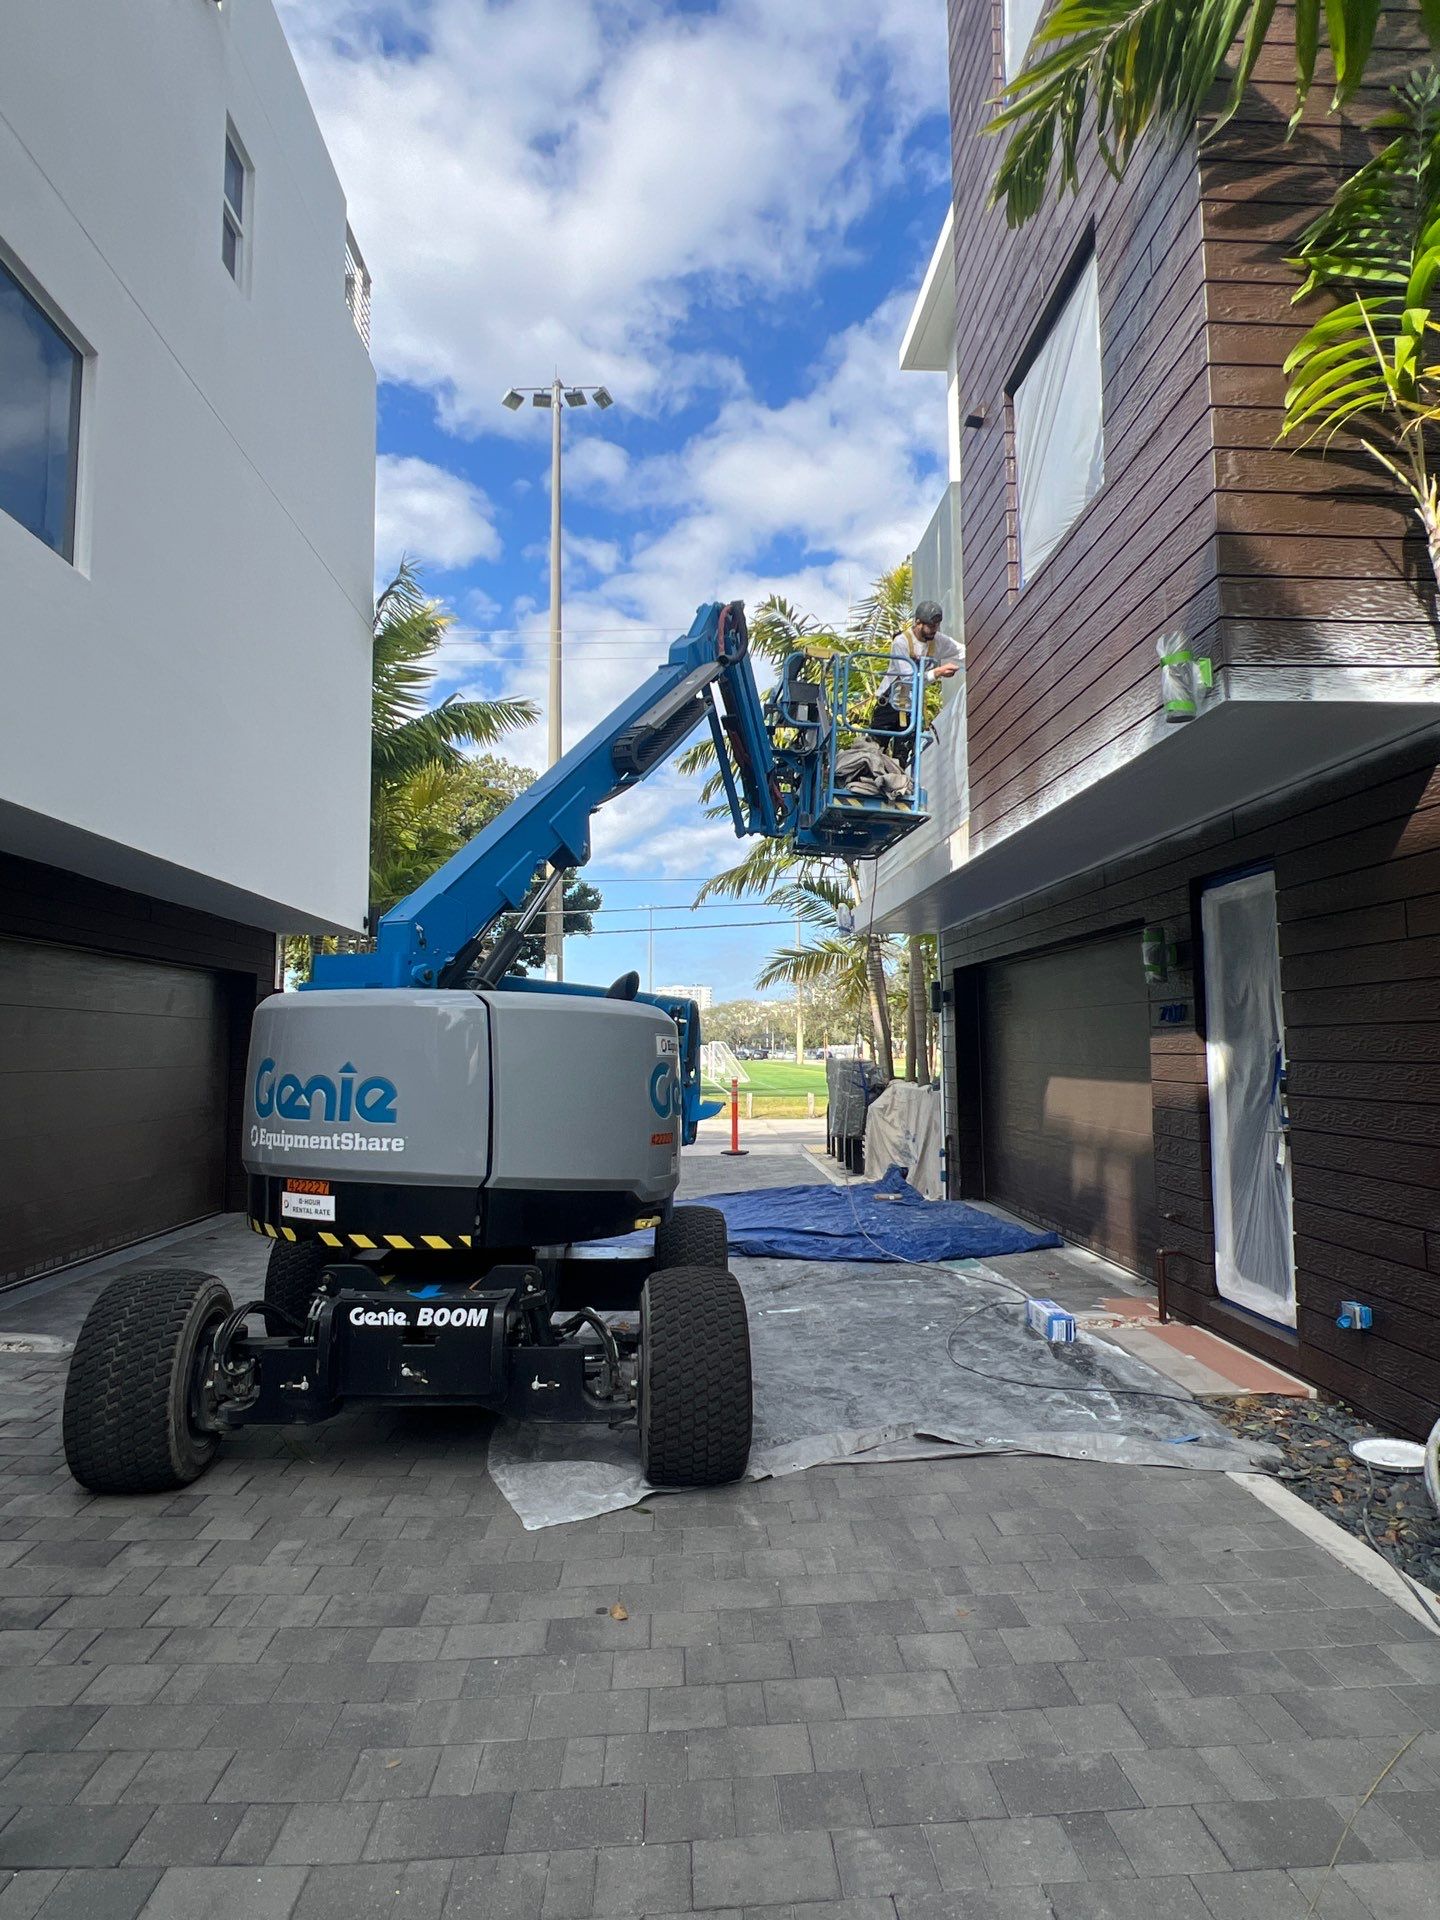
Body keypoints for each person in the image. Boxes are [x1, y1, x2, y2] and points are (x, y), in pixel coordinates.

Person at [869, 602, 962, 769]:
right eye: (931, 626)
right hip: (889, 703)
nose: (934, 630)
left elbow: (961, 651)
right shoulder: (901, 642)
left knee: (902, 756)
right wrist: (938, 672)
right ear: (918, 622)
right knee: (875, 749)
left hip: (911, 707)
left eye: (937, 625)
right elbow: (908, 679)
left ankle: (896, 781)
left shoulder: (938, 641)